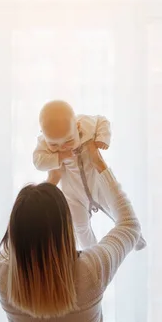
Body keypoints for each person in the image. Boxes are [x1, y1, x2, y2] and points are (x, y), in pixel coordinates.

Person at [0, 141, 142, 322]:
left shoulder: (3, 276)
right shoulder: (89, 273)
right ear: (65, 230)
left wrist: (50, 182)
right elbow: (130, 226)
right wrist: (99, 163)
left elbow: (20, 239)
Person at [32, 99, 146, 251]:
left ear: (77, 126)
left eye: (68, 141)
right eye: (54, 145)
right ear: (43, 136)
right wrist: (58, 158)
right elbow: (38, 161)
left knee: (114, 207)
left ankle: (136, 238)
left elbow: (102, 121)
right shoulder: (44, 143)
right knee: (79, 225)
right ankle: (91, 251)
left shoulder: (85, 124)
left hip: (96, 184)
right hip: (73, 194)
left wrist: (102, 138)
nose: (62, 147)